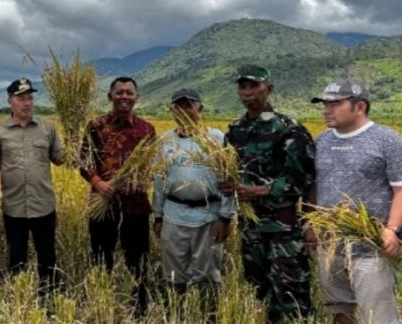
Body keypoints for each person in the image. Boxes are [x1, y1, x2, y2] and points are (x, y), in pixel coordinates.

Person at [224, 65, 316, 323]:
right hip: (251, 229)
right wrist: (229, 185)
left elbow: (304, 178)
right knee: (259, 294)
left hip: (283, 230)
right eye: (243, 86)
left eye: (254, 86)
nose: (247, 92)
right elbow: (232, 171)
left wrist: (260, 190)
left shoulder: (289, 128)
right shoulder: (235, 131)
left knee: (291, 296)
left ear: (269, 89)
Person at [310, 79, 402, 324]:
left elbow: (401, 190)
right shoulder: (321, 141)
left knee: (376, 316)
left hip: (370, 246)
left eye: (335, 104)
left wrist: (392, 230)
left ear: (359, 107)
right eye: (325, 104)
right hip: (330, 246)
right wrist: (311, 224)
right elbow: (315, 186)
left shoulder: (388, 141)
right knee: (340, 311)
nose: (326, 109)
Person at [79, 76, 155, 312]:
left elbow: (152, 166)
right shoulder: (95, 126)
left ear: (136, 98)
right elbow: (82, 160)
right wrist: (98, 183)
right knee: (101, 256)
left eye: (129, 93)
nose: (124, 97)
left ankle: (139, 307)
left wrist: (140, 180)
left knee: (138, 257)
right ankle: (101, 304)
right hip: (102, 203)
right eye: (119, 92)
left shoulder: (147, 129)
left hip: (136, 206)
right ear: (110, 96)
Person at [152, 89, 234, 298]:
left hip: (208, 216)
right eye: (179, 106)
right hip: (173, 216)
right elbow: (159, 181)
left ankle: (207, 314)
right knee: (172, 275)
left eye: (190, 105)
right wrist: (158, 215)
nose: (185, 110)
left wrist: (225, 218)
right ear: (172, 110)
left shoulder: (216, 139)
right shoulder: (166, 141)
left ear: (200, 109)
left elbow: (229, 181)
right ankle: (175, 314)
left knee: (207, 276)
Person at [0, 77, 64, 291]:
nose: (27, 102)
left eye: (30, 97)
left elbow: (59, 159)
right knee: (17, 253)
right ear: (10, 101)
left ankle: (48, 292)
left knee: (47, 253)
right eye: (21, 98)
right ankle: (19, 294)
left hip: (43, 204)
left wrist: (75, 145)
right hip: (13, 205)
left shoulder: (47, 128)